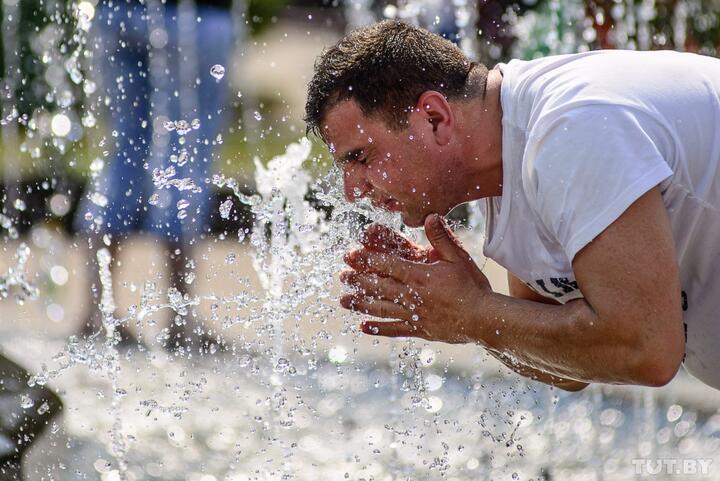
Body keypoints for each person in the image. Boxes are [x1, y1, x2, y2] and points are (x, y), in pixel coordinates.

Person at [304, 20, 720, 391]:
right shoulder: (507, 164)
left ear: (434, 118)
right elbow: (574, 368)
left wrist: (474, 314)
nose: (352, 191)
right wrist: (470, 311)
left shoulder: (569, 131)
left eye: (361, 158)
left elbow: (646, 349)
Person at [75, 0, 234, 350]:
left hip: (117, 13)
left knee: (122, 152)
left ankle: (96, 311)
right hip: (195, 16)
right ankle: (179, 320)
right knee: (186, 155)